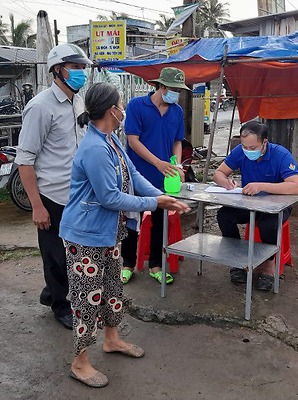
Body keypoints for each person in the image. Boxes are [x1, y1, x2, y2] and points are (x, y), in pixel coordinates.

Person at [59, 82, 190, 388]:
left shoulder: (111, 140)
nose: (124, 109)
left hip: (108, 233)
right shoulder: (93, 148)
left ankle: (112, 340)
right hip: (85, 236)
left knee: (112, 292)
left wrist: (162, 197)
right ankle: (80, 362)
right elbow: (110, 198)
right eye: (120, 104)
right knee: (86, 300)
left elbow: (134, 175)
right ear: (111, 111)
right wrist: (154, 203)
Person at [15, 43, 92, 330]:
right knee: (56, 257)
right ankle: (61, 306)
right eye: (75, 68)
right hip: (51, 196)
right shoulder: (40, 107)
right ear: (57, 70)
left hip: (78, 195)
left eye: (82, 68)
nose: (80, 73)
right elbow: (24, 160)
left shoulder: (79, 102)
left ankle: (51, 292)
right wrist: (36, 206)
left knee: (75, 254)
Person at [120, 67, 191, 285]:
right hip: (137, 175)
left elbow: (178, 141)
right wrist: (157, 163)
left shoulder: (177, 111)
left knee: (161, 222)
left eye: (180, 90)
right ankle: (127, 264)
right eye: (173, 89)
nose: (177, 93)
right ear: (160, 86)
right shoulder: (136, 106)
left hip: (164, 178)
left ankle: (156, 266)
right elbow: (133, 140)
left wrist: (177, 165)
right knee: (132, 221)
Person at [213, 120, 298, 291]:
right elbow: (218, 173)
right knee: (224, 216)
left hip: (277, 206)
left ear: (264, 143)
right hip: (249, 203)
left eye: (252, 148)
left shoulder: (281, 155)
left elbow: (295, 186)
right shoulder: (240, 151)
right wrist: (226, 182)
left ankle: (268, 266)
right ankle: (238, 260)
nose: (248, 152)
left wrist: (262, 186)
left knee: (268, 224)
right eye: (245, 147)